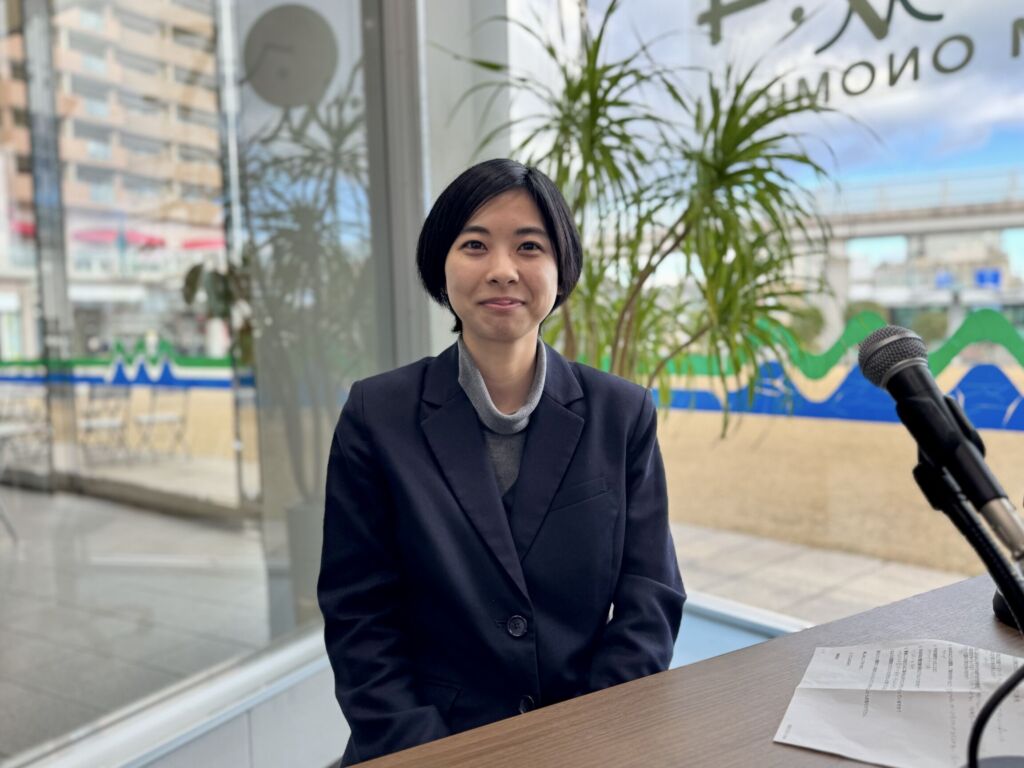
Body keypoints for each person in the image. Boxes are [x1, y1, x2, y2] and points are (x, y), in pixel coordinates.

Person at [317, 158, 685, 766]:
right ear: (441, 264)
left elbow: (650, 599)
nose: (502, 269)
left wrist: (588, 742)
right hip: (421, 746)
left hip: (582, 743)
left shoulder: (622, 413)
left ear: (560, 268)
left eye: (529, 246)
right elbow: (359, 616)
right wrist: (433, 757)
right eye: (475, 245)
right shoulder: (376, 414)